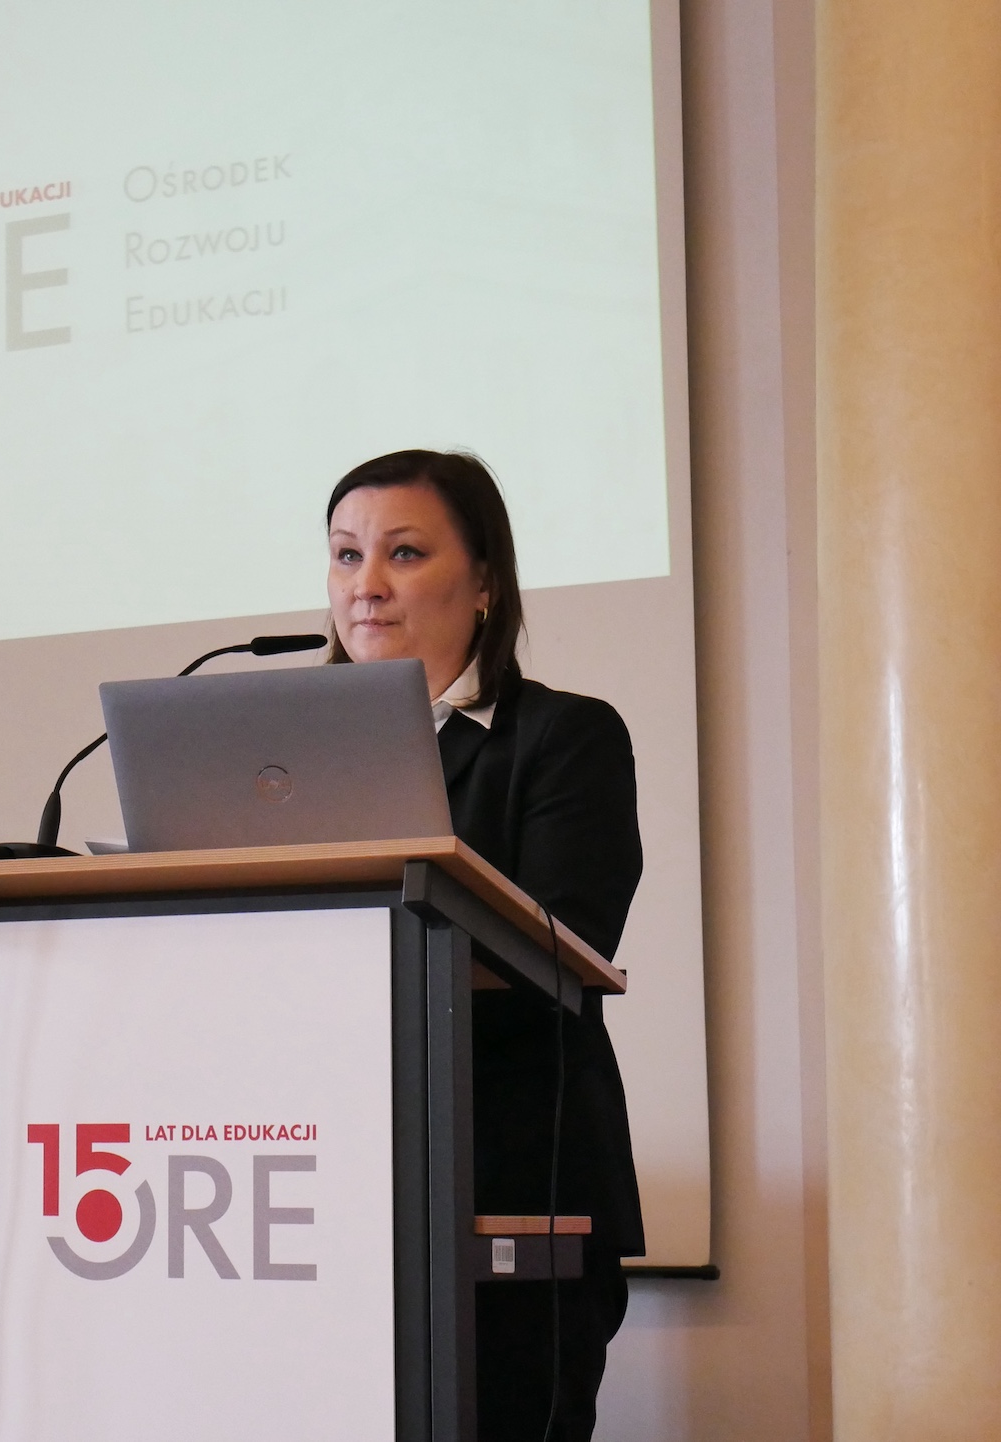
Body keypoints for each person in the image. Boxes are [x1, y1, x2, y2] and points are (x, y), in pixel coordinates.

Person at [325, 449, 643, 1442]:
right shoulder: (292, 763)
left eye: (404, 552)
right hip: (317, 1194)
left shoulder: (562, 737)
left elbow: (563, 943)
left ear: (485, 582)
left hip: (511, 1174)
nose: (366, 585)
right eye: (346, 555)